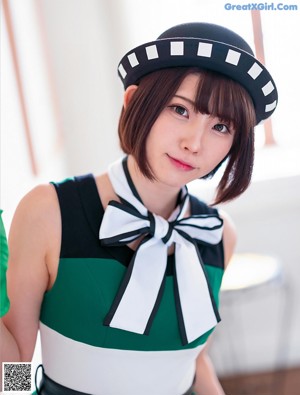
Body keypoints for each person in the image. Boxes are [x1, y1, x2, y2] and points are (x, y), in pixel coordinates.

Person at [0, 22, 278, 395]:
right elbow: (15, 359)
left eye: (222, 127)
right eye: (180, 110)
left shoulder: (217, 233)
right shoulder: (49, 212)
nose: (194, 143)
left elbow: (192, 361)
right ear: (133, 102)